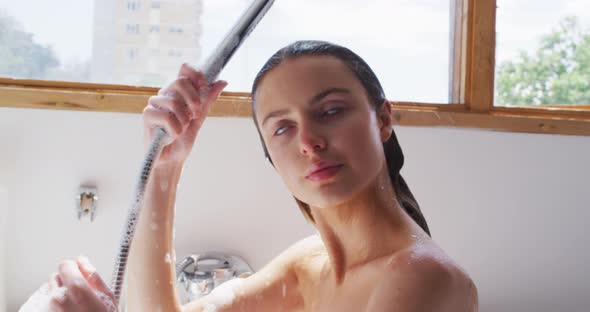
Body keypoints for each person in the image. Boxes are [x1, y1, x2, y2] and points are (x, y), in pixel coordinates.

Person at [48, 41, 478, 312]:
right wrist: (164, 168)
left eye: (330, 111)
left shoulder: (423, 278)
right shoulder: (308, 266)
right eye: (283, 128)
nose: (309, 141)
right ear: (269, 153)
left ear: (383, 119)